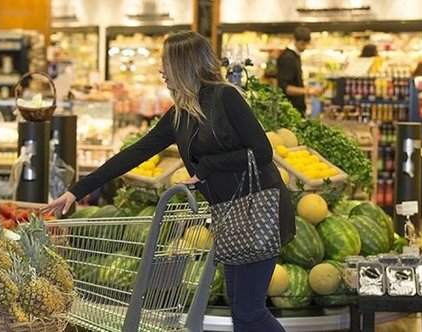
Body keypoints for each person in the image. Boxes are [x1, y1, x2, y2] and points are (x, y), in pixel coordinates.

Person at [42, 31, 295, 331]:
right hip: (230, 216)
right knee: (242, 314)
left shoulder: (225, 97)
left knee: (250, 312)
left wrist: (208, 166)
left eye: (165, 63)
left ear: (183, 65)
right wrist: (78, 189)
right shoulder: (180, 114)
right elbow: (134, 153)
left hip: (259, 212)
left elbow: (263, 152)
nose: (161, 70)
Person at [276, 26, 323, 117]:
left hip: (294, 108)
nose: (304, 47)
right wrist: (308, 91)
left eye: (306, 44)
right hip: (290, 110)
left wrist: (308, 89)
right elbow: (285, 88)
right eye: (302, 44)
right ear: (296, 41)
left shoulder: (295, 56)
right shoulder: (288, 58)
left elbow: (294, 82)